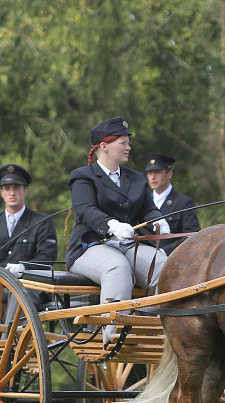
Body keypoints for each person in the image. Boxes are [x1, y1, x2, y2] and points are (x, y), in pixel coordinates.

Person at [65, 117, 170, 343]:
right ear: (104, 146)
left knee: (165, 267)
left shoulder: (136, 178)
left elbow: (148, 209)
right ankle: (113, 339)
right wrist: (111, 224)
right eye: (123, 142)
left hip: (129, 244)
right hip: (91, 247)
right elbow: (86, 210)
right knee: (117, 268)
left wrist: (158, 220)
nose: (128, 147)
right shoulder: (83, 176)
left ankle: (172, 333)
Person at [0, 163, 57, 310]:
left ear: (25, 191)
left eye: (16, 188)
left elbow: (47, 257)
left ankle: (10, 334)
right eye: (7, 189)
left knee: (19, 295)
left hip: (28, 285)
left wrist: (23, 268)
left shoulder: (41, 222)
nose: (12, 193)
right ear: (2, 193)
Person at [142, 152, 199, 255]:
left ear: (169, 174)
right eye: (149, 173)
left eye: (157, 172)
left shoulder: (184, 203)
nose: (152, 177)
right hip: (143, 259)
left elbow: (192, 236)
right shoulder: (142, 201)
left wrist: (165, 251)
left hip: (172, 260)